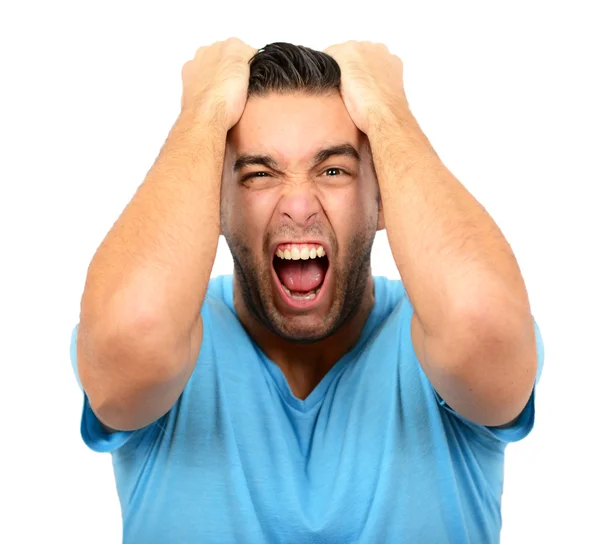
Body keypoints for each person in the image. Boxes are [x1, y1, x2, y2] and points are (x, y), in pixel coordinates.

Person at [70, 39, 544, 543]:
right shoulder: (179, 338)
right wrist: (203, 115)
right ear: (211, 206)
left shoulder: (430, 331)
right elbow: (131, 335)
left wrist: (387, 113)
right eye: (259, 174)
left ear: (385, 203)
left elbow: (483, 324)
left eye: (333, 170)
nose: (298, 205)